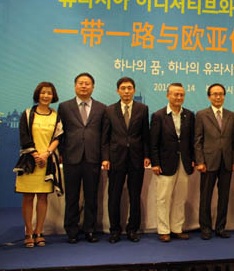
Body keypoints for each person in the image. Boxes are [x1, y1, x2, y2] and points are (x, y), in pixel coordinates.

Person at [57, 72, 106, 243]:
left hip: (93, 157)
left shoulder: (102, 108)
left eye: (87, 83)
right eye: (80, 83)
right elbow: (60, 132)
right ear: (75, 86)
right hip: (71, 157)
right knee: (72, 197)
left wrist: (104, 156)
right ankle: (71, 230)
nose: (84, 86)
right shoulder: (64, 107)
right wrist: (61, 153)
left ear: (93, 87)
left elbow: (104, 135)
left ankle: (90, 229)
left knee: (91, 197)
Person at [101, 77, 150, 243]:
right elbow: (105, 137)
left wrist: (147, 155)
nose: (126, 91)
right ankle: (114, 230)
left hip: (136, 158)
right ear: (118, 91)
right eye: (123, 88)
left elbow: (145, 135)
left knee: (135, 195)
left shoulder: (142, 109)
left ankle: (132, 229)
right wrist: (105, 158)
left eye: (129, 88)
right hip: (116, 158)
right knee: (114, 195)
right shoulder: (109, 110)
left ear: (134, 90)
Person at [15, 82, 63, 248]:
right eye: (43, 93)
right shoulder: (28, 114)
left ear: (53, 96)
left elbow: (58, 137)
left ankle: (39, 232)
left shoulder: (56, 116)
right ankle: (28, 232)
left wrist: (46, 154)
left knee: (43, 197)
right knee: (28, 197)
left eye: (49, 93)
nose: (46, 96)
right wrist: (35, 155)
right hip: (30, 162)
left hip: (46, 162)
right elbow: (24, 136)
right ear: (38, 94)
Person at [150, 83, 195, 242]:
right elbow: (153, 142)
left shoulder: (189, 115)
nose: (179, 97)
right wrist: (155, 163)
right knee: (163, 198)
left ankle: (177, 228)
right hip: (165, 163)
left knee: (180, 198)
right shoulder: (158, 115)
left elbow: (192, 140)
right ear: (168, 95)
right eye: (176, 94)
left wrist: (193, 160)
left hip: (184, 162)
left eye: (181, 94)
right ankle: (163, 230)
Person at [194, 83, 234, 240]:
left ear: (224, 96)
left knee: (224, 197)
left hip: (227, 162)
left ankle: (220, 227)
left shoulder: (231, 115)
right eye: (214, 94)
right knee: (205, 197)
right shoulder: (201, 115)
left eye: (221, 94)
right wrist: (200, 161)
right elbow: (197, 140)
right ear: (209, 97)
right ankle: (205, 228)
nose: (218, 97)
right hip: (208, 162)